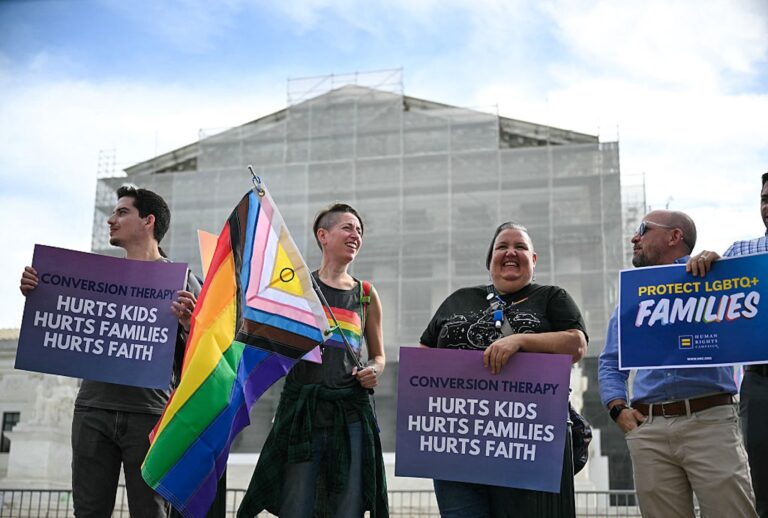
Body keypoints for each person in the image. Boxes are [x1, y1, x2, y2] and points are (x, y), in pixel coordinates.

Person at [20, 185, 202, 518]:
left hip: (151, 415)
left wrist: (190, 324)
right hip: (93, 410)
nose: (110, 220)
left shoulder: (184, 282)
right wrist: (39, 291)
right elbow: (62, 321)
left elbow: (207, 355)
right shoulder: (88, 279)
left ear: (148, 221)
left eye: (121, 212)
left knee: (150, 513)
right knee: (89, 512)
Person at [419, 221, 588, 517]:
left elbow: (576, 345)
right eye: (502, 247)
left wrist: (520, 341)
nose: (511, 252)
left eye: (520, 247)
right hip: (457, 444)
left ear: (533, 260)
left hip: (527, 443)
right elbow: (423, 358)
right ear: (490, 260)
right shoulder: (457, 299)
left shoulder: (552, 297)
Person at [598, 209, 757, 517]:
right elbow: (610, 362)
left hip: (711, 423)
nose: (634, 237)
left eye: (643, 229)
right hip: (649, 429)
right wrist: (619, 411)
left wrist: (720, 269)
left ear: (674, 236)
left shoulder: (714, 279)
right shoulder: (631, 299)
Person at [237, 203, 388, 518]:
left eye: (359, 231)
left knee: (348, 506)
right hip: (302, 415)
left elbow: (378, 355)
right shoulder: (299, 290)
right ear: (323, 235)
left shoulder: (366, 295)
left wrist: (373, 370)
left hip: (350, 417)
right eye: (347, 227)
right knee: (297, 505)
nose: (355, 235)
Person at [686, 171, 768, 517]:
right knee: (760, 484)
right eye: (765, 199)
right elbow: (710, 308)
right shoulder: (742, 254)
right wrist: (707, 267)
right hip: (760, 381)